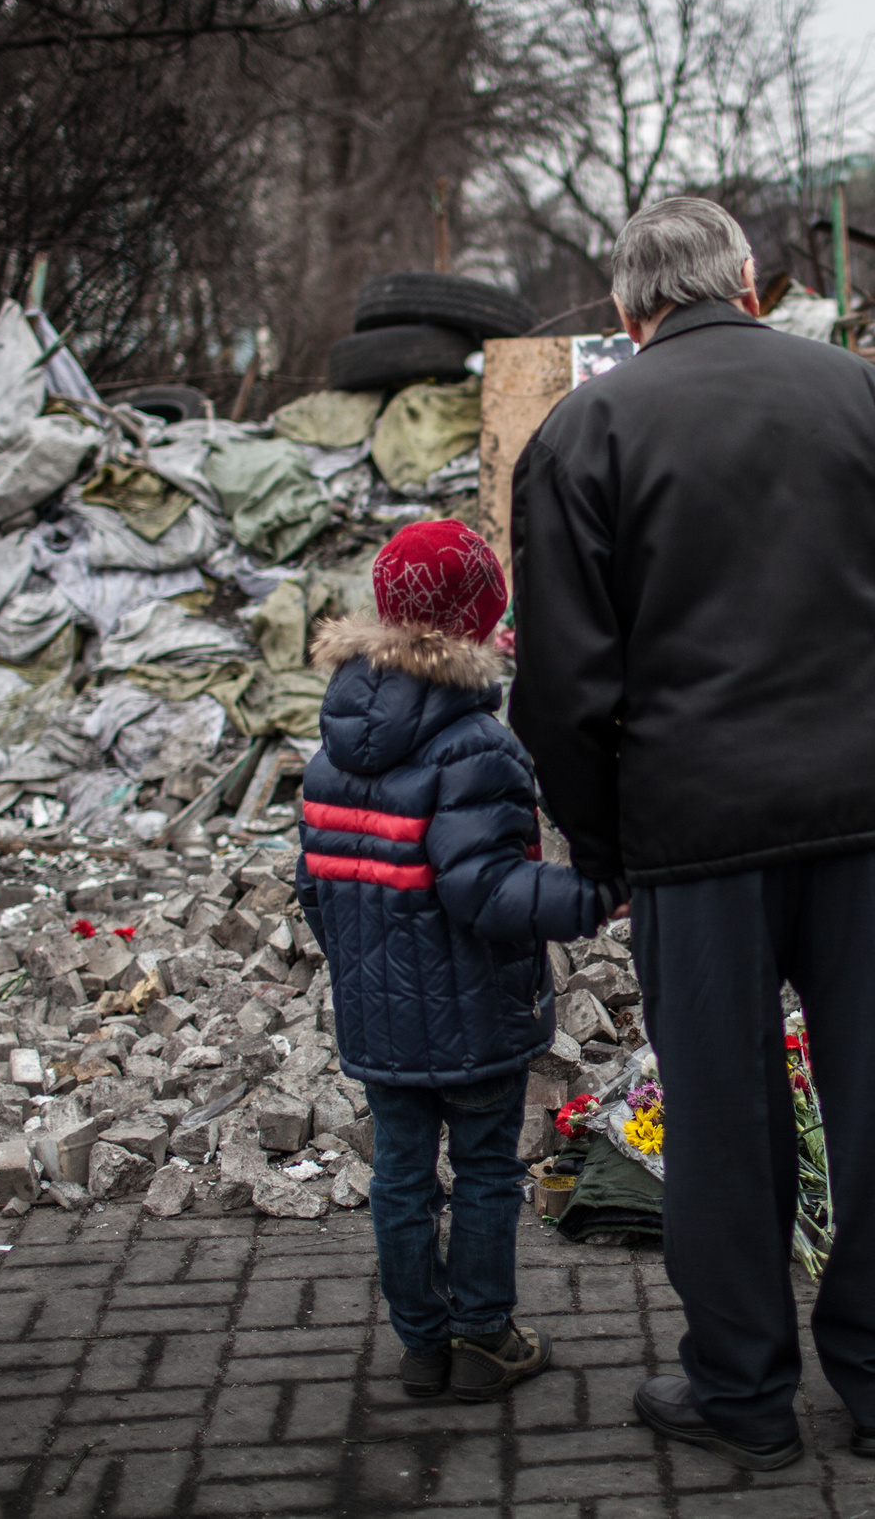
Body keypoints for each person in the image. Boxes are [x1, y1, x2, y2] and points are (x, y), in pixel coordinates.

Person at [509, 197, 875, 1468]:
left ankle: (743, 1396)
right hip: (866, 822)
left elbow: (562, 683)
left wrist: (603, 843)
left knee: (724, 1120)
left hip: (693, 833)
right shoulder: (869, 403)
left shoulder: (582, 431)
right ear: (748, 283)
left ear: (627, 313)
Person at [295, 519, 621, 1404]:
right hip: (475, 1009)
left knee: (400, 1173)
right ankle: (485, 1336)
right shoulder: (477, 746)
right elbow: (489, 893)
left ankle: (420, 1346)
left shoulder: (333, 748)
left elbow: (315, 888)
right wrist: (596, 895)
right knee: (483, 1169)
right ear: (478, 622)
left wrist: (370, 968)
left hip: (377, 1015)